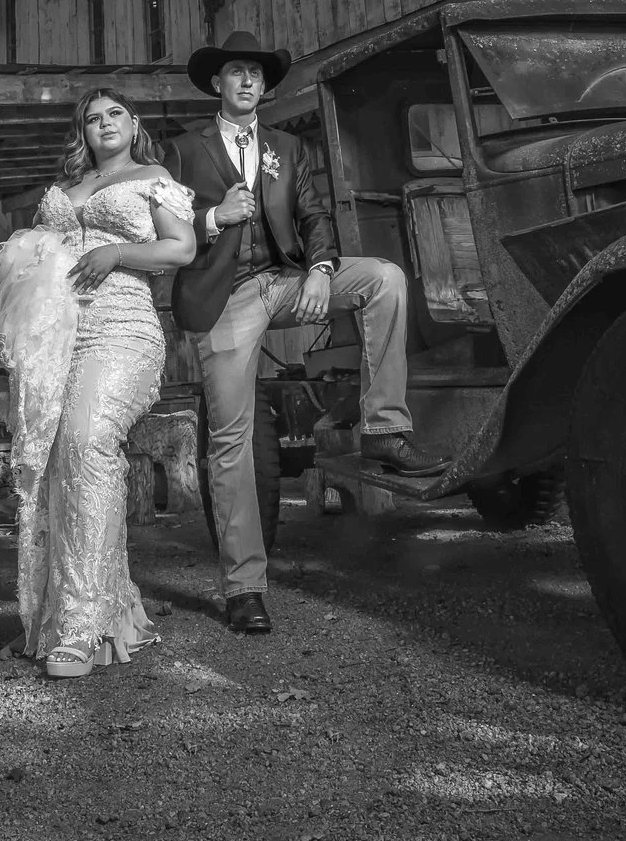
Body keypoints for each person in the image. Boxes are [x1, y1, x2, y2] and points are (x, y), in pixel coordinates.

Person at [166, 31, 448, 636]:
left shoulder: (287, 149)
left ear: (265, 87)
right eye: (236, 72)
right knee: (231, 438)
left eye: (256, 74)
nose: (247, 81)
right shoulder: (184, 151)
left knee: (383, 279)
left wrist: (321, 269)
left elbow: (314, 214)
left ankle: (384, 428)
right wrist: (214, 217)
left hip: (287, 280)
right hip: (225, 296)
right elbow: (159, 222)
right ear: (218, 83)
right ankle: (244, 587)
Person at [0, 89, 196, 678]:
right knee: (55, 460)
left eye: (115, 115)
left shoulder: (153, 178)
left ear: (134, 124)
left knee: (86, 443)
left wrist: (119, 253)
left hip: (123, 329)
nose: (104, 123)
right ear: (83, 130)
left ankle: (81, 629)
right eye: (93, 117)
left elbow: (183, 247)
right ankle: (111, 611)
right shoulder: (65, 188)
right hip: (59, 333)